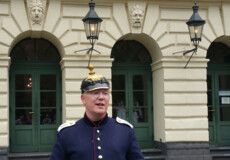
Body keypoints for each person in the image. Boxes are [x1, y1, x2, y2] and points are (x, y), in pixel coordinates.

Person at [50, 65, 144, 160]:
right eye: (95, 93)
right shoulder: (67, 134)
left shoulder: (125, 131)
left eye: (105, 93)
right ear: (83, 99)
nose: (101, 97)